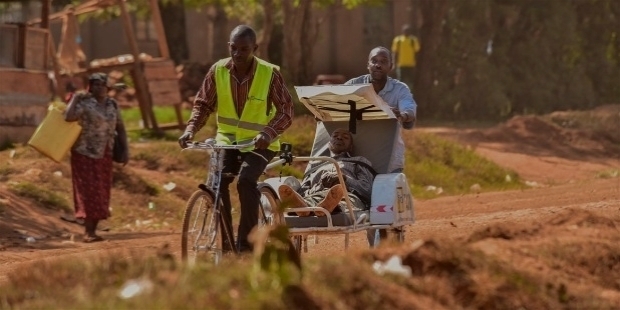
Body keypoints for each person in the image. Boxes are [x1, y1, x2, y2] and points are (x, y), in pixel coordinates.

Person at [178, 25, 295, 254]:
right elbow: (203, 104)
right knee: (218, 183)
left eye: (244, 49)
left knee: (245, 181)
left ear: (255, 48)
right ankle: (226, 244)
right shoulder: (218, 70)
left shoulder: (269, 73)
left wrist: (268, 133)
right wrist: (190, 129)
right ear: (228, 46)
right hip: (227, 141)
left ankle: (246, 244)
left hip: (260, 143)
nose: (238, 54)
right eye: (234, 48)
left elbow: (286, 110)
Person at [345, 46, 417, 246]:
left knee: (381, 210)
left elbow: (409, 109)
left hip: (389, 160)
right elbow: (337, 103)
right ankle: (378, 251)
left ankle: (379, 253)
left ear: (391, 66)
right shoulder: (353, 85)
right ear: (367, 64)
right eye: (374, 61)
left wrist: (403, 115)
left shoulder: (400, 89)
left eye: (383, 61)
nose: (378, 64)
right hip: (359, 160)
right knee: (369, 211)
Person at [64, 72, 128, 243]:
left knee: (101, 191)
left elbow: (120, 128)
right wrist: (76, 99)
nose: (98, 87)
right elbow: (68, 116)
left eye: (101, 84)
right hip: (84, 152)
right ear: (90, 87)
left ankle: (93, 230)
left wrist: (125, 150)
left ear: (107, 88)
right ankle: (88, 232)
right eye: (94, 84)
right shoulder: (85, 103)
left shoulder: (112, 104)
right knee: (87, 192)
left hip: (105, 152)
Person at [278, 128, 375, 217]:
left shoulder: (359, 161)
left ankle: (327, 206)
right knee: (311, 199)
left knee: (343, 200)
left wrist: (344, 180)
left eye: (345, 137)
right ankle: (305, 207)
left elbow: (368, 190)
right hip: (318, 194)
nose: (340, 137)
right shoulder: (315, 164)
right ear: (329, 144)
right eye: (335, 136)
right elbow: (303, 191)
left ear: (351, 147)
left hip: (347, 195)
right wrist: (320, 185)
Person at [391, 24, 420, 89]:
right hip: (401, 65)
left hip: (411, 65)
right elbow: (395, 53)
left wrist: (417, 63)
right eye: (405, 31)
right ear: (402, 31)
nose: (407, 32)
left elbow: (417, 52)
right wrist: (393, 64)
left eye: (408, 31)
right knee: (400, 81)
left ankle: (410, 95)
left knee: (411, 81)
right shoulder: (398, 40)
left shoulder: (413, 40)